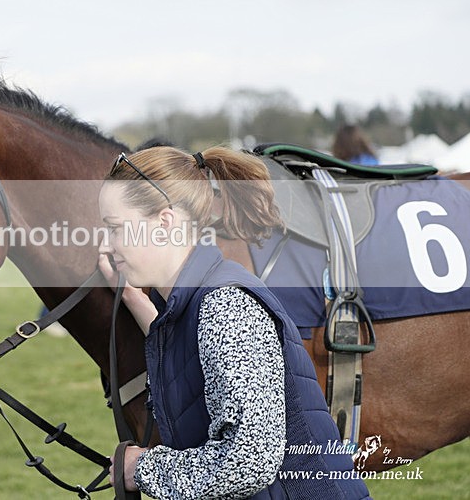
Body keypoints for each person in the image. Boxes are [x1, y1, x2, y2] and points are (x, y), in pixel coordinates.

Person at [98, 146, 370, 499]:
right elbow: (188, 359)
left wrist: (142, 468)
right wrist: (134, 297)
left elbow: (250, 460)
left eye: (115, 228)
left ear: (164, 223)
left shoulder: (225, 306)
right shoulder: (191, 301)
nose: (106, 244)